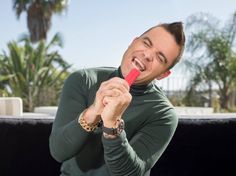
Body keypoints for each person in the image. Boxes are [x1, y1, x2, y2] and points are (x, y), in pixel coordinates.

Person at [49, 22, 185, 176]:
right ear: (133, 42)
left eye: (160, 58)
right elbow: (58, 152)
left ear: (163, 74)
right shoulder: (82, 80)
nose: (147, 55)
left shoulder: (163, 113)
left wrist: (112, 125)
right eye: (146, 43)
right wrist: (93, 112)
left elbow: (131, 173)